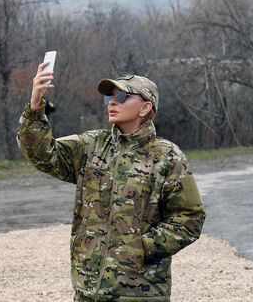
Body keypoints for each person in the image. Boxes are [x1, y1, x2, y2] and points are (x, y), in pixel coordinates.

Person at [17, 62, 206, 302]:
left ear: (146, 107)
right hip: (88, 290)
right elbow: (43, 154)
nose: (112, 102)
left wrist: (142, 248)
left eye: (122, 96)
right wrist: (35, 106)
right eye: (110, 97)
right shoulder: (92, 146)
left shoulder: (166, 156)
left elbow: (189, 218)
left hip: (139, 293)